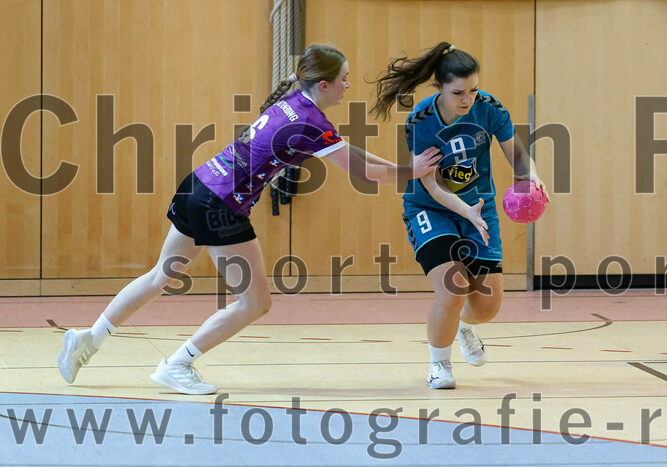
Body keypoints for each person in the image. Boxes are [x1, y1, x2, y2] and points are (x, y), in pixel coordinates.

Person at [57, 44, 441, 394]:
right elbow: (363, 173)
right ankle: (178, 364)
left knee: (161, 275)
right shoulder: (311, 123)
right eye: (344, 79)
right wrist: (411, 171)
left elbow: (346, 149)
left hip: (198, 186)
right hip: (221, 206)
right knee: (255, 302)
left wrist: (401, 166)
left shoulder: (297, 103)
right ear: (324, 85)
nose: (348, 85)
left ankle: (89, 338)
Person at [371, 42, 548, 389]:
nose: (467, 99)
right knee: (453, 288)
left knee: (486, 307)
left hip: (479, 209)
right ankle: (440, 366)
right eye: (457, 92)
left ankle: (464, 326)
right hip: (431, 208)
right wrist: (465, 210)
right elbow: (433, 183)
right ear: (439, 87)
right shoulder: (421, 121)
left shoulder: (490, 108)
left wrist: (533, 177)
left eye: (473, 90)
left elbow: (517, 154)